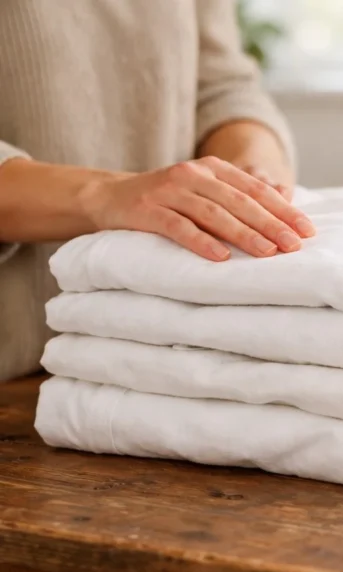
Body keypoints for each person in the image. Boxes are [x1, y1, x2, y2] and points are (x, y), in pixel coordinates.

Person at [0, 1, 311, 381]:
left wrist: (249, 174)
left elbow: (221, 85)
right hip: (17, 361)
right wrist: (105, 196)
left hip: (159, 367)